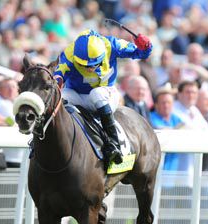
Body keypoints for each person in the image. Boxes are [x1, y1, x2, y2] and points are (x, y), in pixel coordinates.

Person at [53, 29, 152, 165]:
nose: (88, 69)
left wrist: (145, 46)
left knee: (96, 93)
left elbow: (141, 53)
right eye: (83, 65)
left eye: (93, 65)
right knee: (61, 95)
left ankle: (113, 143)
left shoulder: (112, 45)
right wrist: (56, 81)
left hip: (106, 93)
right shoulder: (69, 53)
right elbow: (57, 76)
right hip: (77, 96)